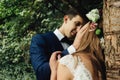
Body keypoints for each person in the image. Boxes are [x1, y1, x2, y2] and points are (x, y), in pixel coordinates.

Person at [30, 7, 91, 80]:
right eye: (77, 24)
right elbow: (41, 72)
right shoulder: (40, 39)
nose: (78, 30)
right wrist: (73, 48)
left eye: (81, 28)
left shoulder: (80, 45)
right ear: (66, 19)